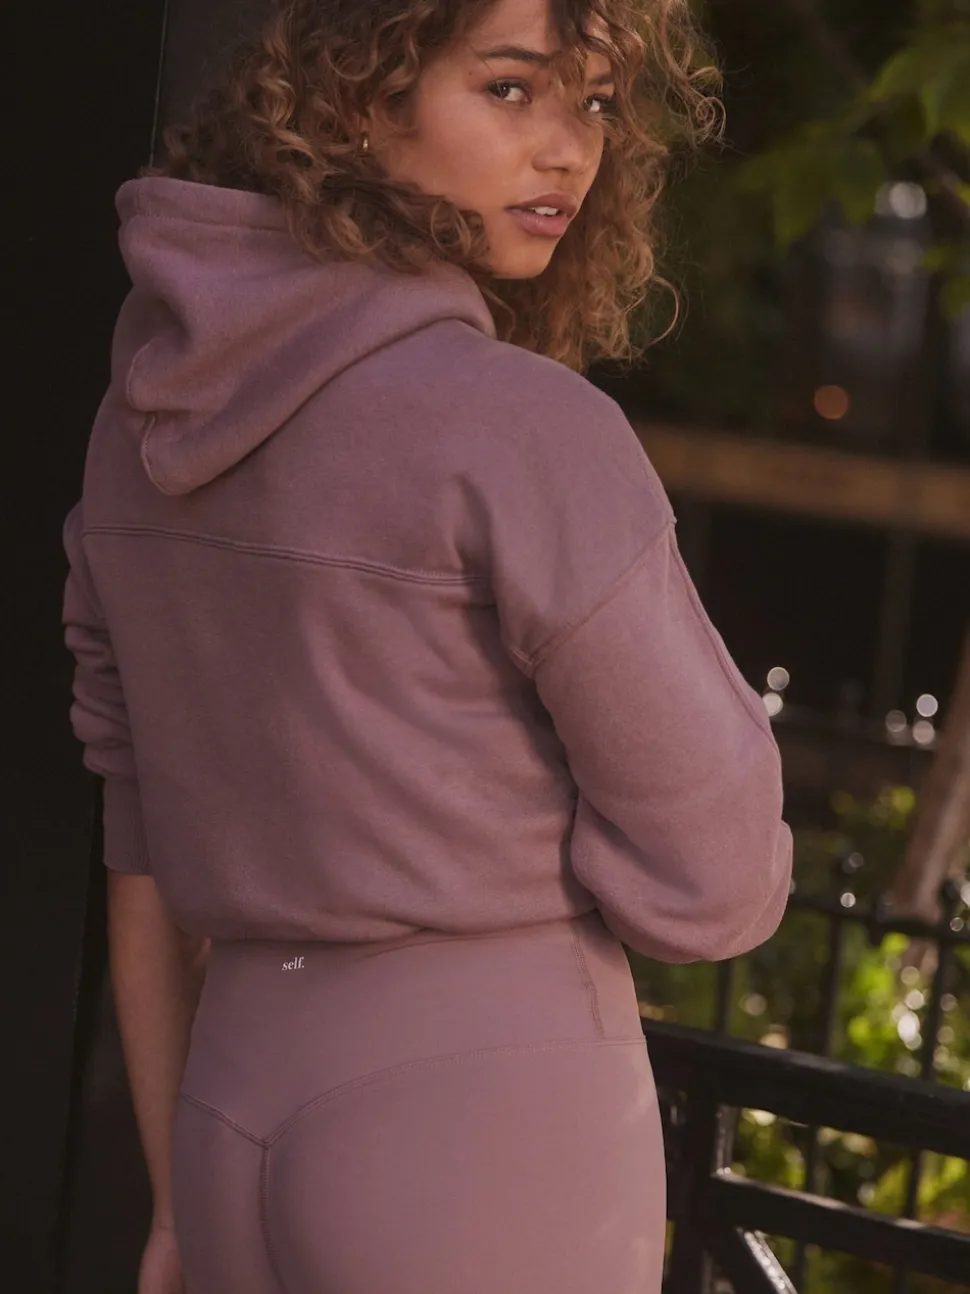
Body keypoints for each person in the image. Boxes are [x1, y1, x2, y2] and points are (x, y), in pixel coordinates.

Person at [61, 0, 794, 1290]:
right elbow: (718, 876)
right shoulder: (525, 427)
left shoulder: (140, 431)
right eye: (511, 89)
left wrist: (177, 1197)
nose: (569, 148)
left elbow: (141, 848)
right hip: (486, 1108)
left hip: (228, 1103)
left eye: (596, 102)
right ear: (357, 97)